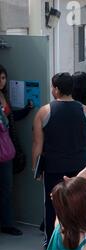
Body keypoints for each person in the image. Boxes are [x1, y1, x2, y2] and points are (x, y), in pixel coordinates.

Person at [32, 73, 86, 248]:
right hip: (81, 166)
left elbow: (38, 145)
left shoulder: (44, 112)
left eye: (53, 87)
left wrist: (35, 168)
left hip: (54, 167)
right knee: (80, 203)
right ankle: (82, 241)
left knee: (52, 204)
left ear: (57, 89)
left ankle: (51, 243)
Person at [0, 65, 34, 236]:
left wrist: (28, 109)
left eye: (3, 78)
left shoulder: (4, 96)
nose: (1, 81)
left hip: (5, 151)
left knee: (7, 188)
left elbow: (11, 117)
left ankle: (6, 223)